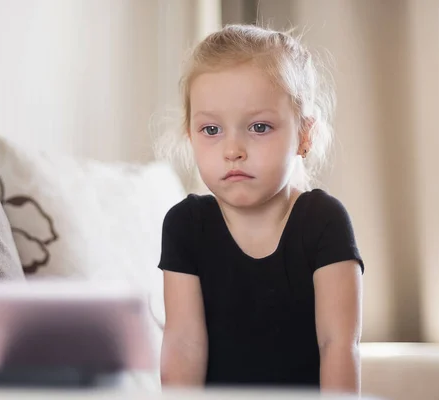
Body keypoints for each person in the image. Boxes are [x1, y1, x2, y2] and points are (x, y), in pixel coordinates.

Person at [155, 24, 364, 393]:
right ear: (190, 134)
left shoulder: (324, 221)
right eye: (211, 130)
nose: (232, 149)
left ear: (304, 135)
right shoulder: (185, 225)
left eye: (259, 126)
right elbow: (183, 344)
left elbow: (338, 345)